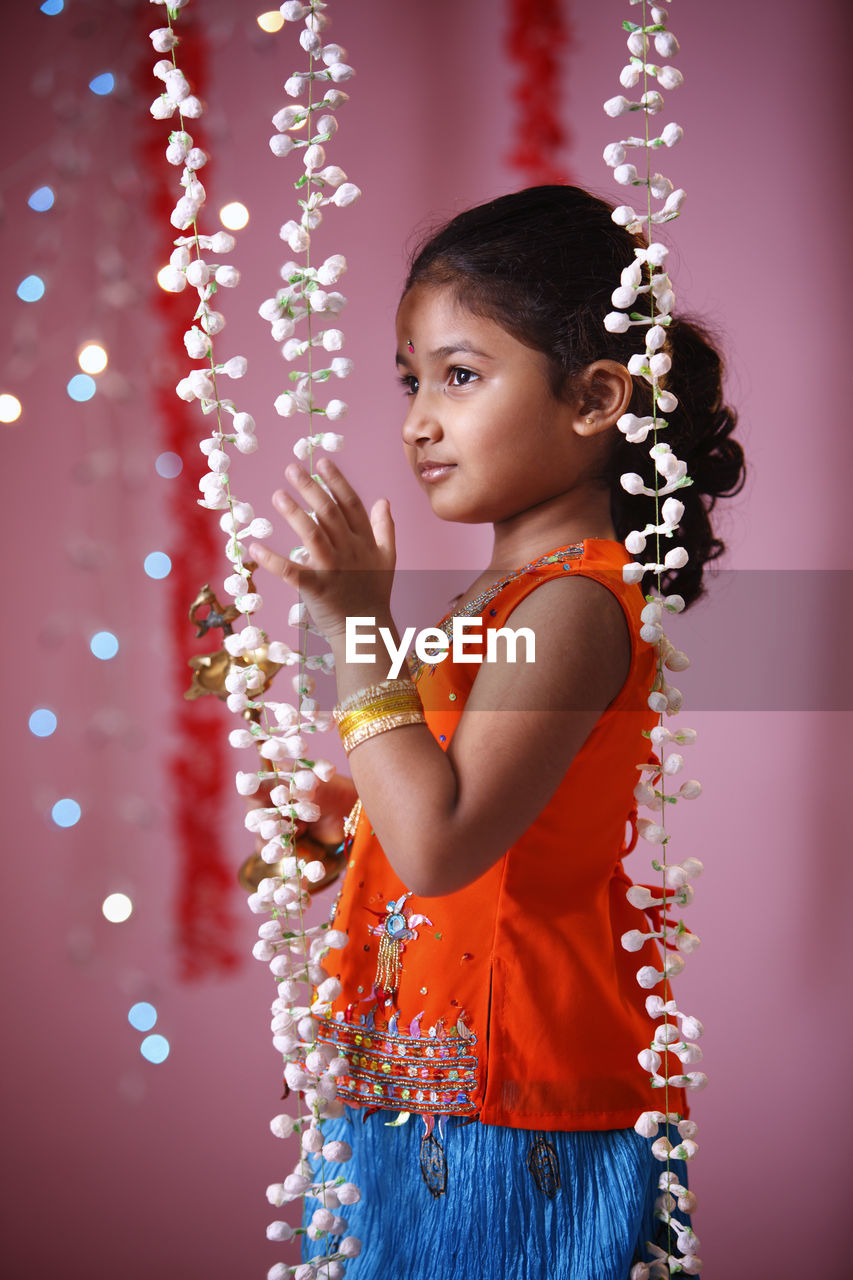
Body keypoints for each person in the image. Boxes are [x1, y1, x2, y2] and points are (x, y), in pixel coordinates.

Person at [250, 185, 745, 1279]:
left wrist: (353, 625)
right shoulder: (503, 593)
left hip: (511, 1107)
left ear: (593, 397)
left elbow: (443, 841)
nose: (419, 417)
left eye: (461, 376)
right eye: (410, 380)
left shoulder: (570, 607)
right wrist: (345, 818)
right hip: (422, 1085)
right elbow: (438, 803)